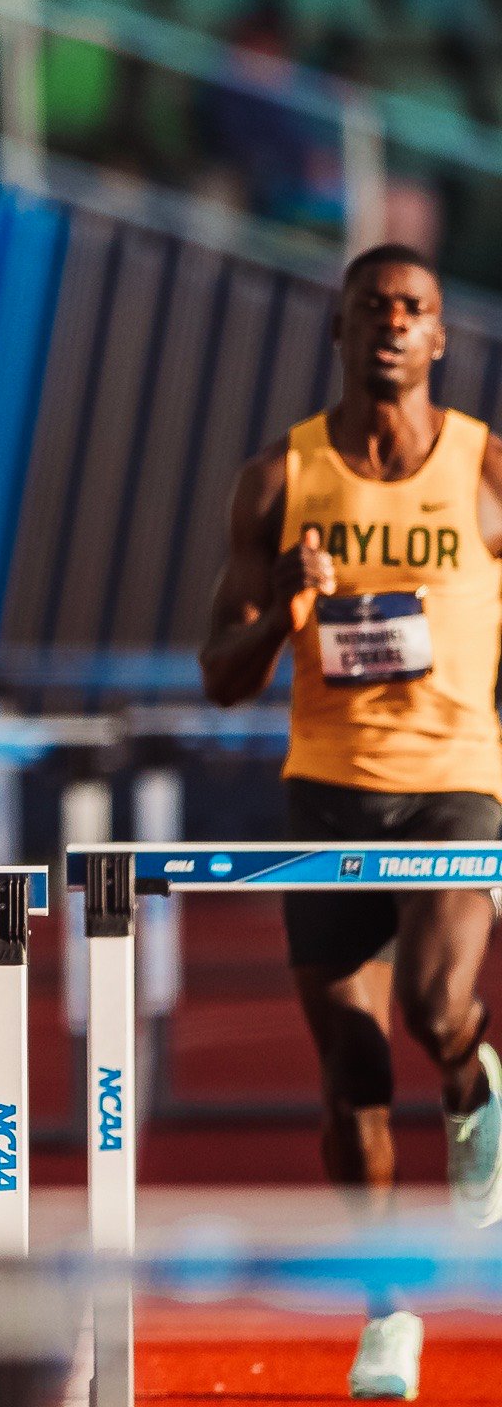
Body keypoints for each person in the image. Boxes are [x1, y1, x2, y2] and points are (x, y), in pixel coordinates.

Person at [200, 243, 502, 1400]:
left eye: (414, 309)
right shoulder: (279, 479)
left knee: (432, 1003)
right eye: (371, 307)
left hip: (454, 780)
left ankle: (475, 1081)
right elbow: (220, 674)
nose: (391, 325)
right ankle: (390, 1314)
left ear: (439, 339)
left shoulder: (483, 470)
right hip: (326, 786)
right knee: (352, 1074)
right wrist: (286, 603)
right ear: (338, 327)